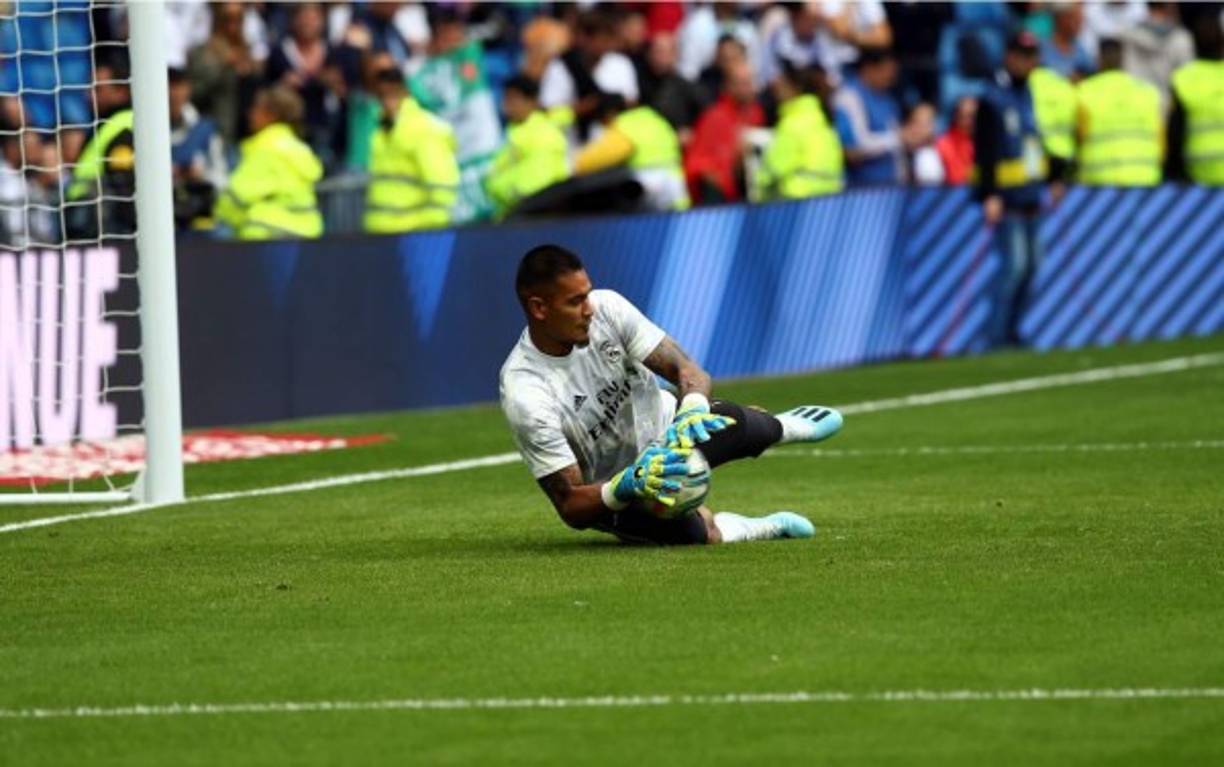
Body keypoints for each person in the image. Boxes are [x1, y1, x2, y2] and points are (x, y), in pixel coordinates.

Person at [499, 244, 844, 546]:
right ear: (539, 308)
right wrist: (624, 486)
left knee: (733, 422)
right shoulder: (526, 391)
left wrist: (692, 409)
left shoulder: (607, 308)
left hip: (669, 431)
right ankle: (756, 527)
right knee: (694, 533)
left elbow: (687, 371)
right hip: (619, 487)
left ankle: (777, 427)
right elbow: (570, 505)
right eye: (575, 301)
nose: (588, 308)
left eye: (587, 294)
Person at [973, 31, 1071, 347]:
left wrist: (1054, 177)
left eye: (1032, 56)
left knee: (1031, 268)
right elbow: (984, 149)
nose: (1028, 62)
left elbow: (1040, 142)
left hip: (1031, 195)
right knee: (1013, 267)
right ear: (1008, 56)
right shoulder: (992, 97)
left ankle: (1014, 331)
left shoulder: (1033, 93)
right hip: (1006, 198)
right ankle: (997, 335)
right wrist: (989, 194)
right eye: (1021, 55)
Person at [213, 86, 323, 240]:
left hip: (265, 236)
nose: (250, 113)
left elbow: (235, 196)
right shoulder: (299, 148)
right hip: (307, 234)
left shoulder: (265, 147)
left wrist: (222, 217)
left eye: (256, 108)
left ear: (271, 115)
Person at [363, 65, 459, 233]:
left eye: (391, 94)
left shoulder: (424, 128)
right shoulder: (381, 130)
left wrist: (433, 228)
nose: (386, 101)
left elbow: (441, 181)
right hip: (382, 231)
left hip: (418, 232)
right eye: (381, 95)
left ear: (405, 92)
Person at [573, 94, 690, 212]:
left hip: (648, 186)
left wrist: (575, 163)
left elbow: (597, 158)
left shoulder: (624, 124)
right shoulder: (652, 116)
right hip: (675, 182)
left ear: (610, 114)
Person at [65, 56, 135, 239]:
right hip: (86, 221)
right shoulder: (106, 124)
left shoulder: (124, 127)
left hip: (105, 229)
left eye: (98, 90)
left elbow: (123, 183)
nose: (89, 95)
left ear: (121, 91)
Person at [1076, 38, 1161, 186]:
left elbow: (1078, 138)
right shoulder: (1148, 93)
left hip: (1098, 185)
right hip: (1145, 181)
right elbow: (1161, 144)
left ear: (1099, 60)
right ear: (1123, 60)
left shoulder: (1083, 92)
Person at [755, 61, 844, 199]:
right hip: (830, 201)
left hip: (797, 203)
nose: (776, 88)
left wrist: (758, 190)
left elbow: (773, 171)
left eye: (782, 84)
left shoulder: (792, 123)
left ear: (794, 88)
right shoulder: (822, 119)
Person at [485, 75, 570, 219]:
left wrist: (497, 187)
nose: (507, 104)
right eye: (506, 98)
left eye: (514, 98)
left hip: (535, 216)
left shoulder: (543, 134)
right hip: (514, 216)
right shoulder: (514, 133)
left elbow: (535, 185)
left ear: (532, 101)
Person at [833, 46, 918, 186]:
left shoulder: (889, 99)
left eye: (893, 72)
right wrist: (898, 138)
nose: (890, 77)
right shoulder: (849, 97)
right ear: (868, 69)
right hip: (863, 193)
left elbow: (895, 148)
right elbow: (852, 150)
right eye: (886, 71)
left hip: (894, 189)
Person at [684, 59, 765, 204]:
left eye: (750, 82)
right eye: (743, 83)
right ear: (729, 86)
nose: (749, 88)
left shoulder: (757, 113)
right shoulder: (714, 117)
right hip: (721, 201)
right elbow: (698, 165)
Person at [167, 67, 227, 230]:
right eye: (169, 86)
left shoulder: (205, 129)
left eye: (179, 86)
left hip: (199, 217)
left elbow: (221, 179)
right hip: (159, 214)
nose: (174, 93)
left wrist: (200, 176)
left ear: (188, 89)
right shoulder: (142, 130)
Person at [1165, 18, 1224, 186]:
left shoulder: (1184, 79)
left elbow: (1175, 134)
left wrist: (1176, 175)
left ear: (1194, 46)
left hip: (1198, 178)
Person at [935, 96, 976, 184]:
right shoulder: (944, 142)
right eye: (964, 116)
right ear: (955, 116)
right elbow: (956, 177)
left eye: (973, 117)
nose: (969, 122)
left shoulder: (985, 141)